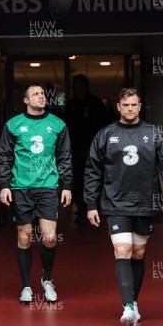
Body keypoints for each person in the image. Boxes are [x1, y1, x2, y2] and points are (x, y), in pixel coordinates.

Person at [83, 87, 163, 326]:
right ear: (118, 106)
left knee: (138, 253)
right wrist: (90, 204)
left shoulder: (154, 133)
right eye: (125, 105)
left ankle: (134, 302)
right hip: (115, 202)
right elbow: (92, 170)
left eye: (134, 105)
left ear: (139, 107)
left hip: (145, 202)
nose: (130, 109)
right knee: (123, 250)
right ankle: (127, 307)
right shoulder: (105, 135)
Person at [0, 82, 73, 304]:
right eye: (36, 94)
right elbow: (4, 156)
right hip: (21, 187)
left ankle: (46, 280)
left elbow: (65, 156)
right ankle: (26, 286)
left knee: (49, 237)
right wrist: (4, 185)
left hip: (48, 187)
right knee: (24, 236)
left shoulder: (58, 125)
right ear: (26, 101)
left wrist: (67, 185)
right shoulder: (14, 125)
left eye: (42, 94)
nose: (41, 97)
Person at [64, 74, 108, 224]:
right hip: (75, 150)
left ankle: (97, 209)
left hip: (94, 149)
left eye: (78, 85)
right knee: (77, 180)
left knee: (96, 178)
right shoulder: (70, 105)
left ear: (85, 86)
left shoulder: (95, 103)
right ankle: (82, 210)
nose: (75, 88)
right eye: (73, 85)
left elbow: (105, 125)